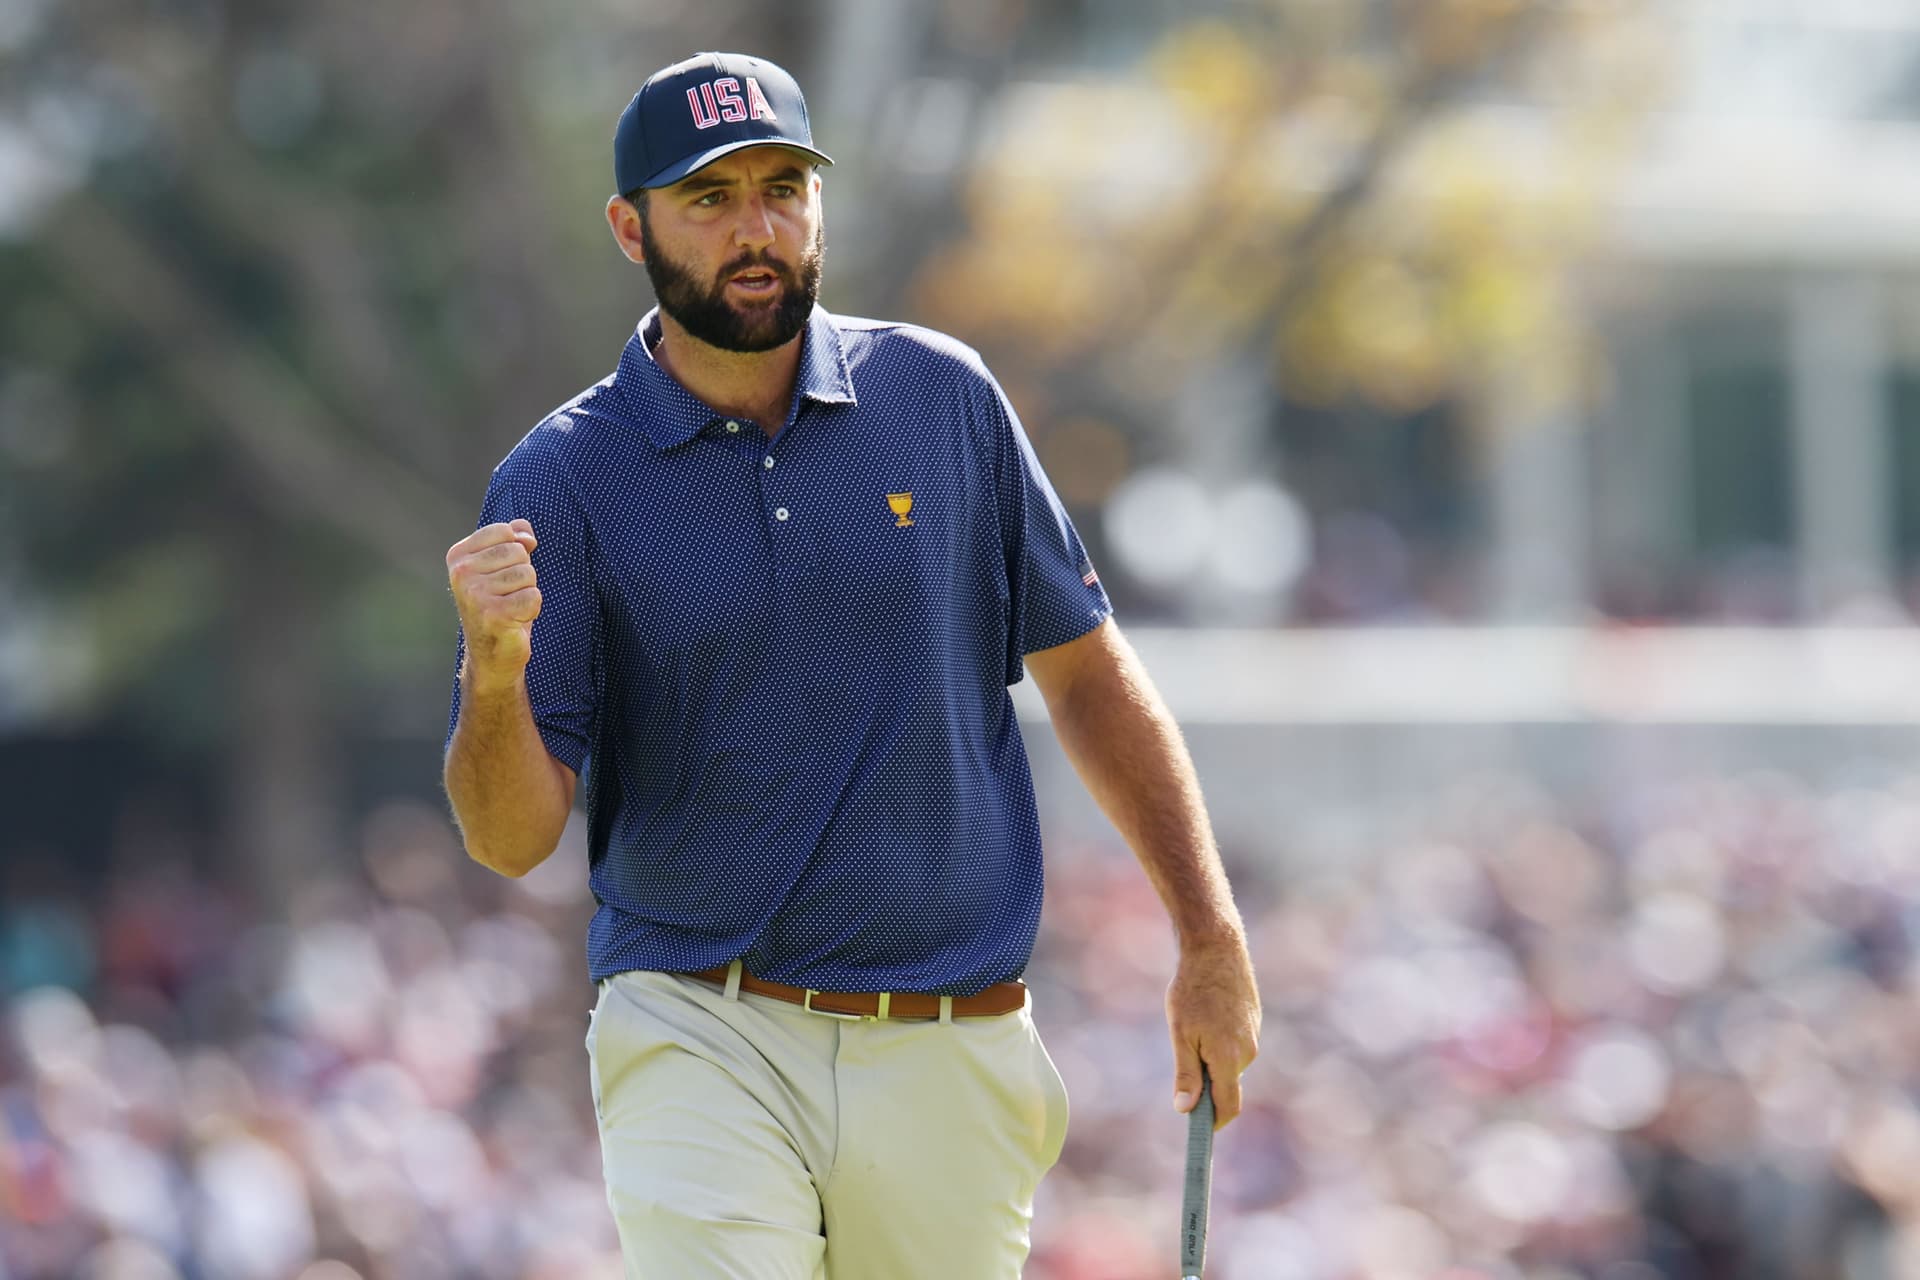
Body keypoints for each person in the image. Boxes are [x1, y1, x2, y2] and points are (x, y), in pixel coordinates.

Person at [442, 50, 1260, 1280]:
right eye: (709, 200)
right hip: (699, 1023)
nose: (755, 229)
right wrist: (495, 674)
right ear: (630, 227)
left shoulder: (942, 398)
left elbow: (1086, 675)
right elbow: (509, 837)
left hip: (949, 1034)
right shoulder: (563, 477)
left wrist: (1208, 932)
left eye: (782, 187)